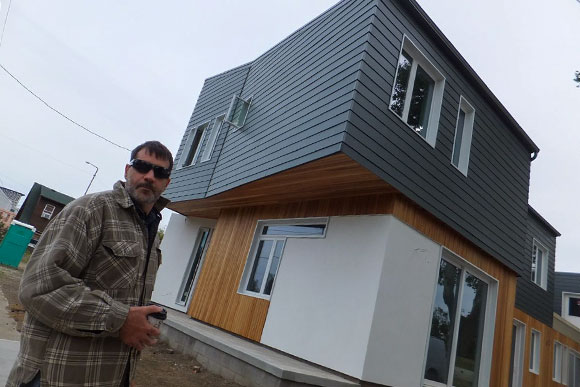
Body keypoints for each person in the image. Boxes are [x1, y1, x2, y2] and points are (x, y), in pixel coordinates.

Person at [7, 141, 173, 387]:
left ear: (167, 183)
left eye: (159, 172)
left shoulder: (150, 232)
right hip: (56, 375)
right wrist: (121, 318)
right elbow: (38, 288)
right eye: (142, 166)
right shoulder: (91, 210)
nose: (150, 176)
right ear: (128, 169)